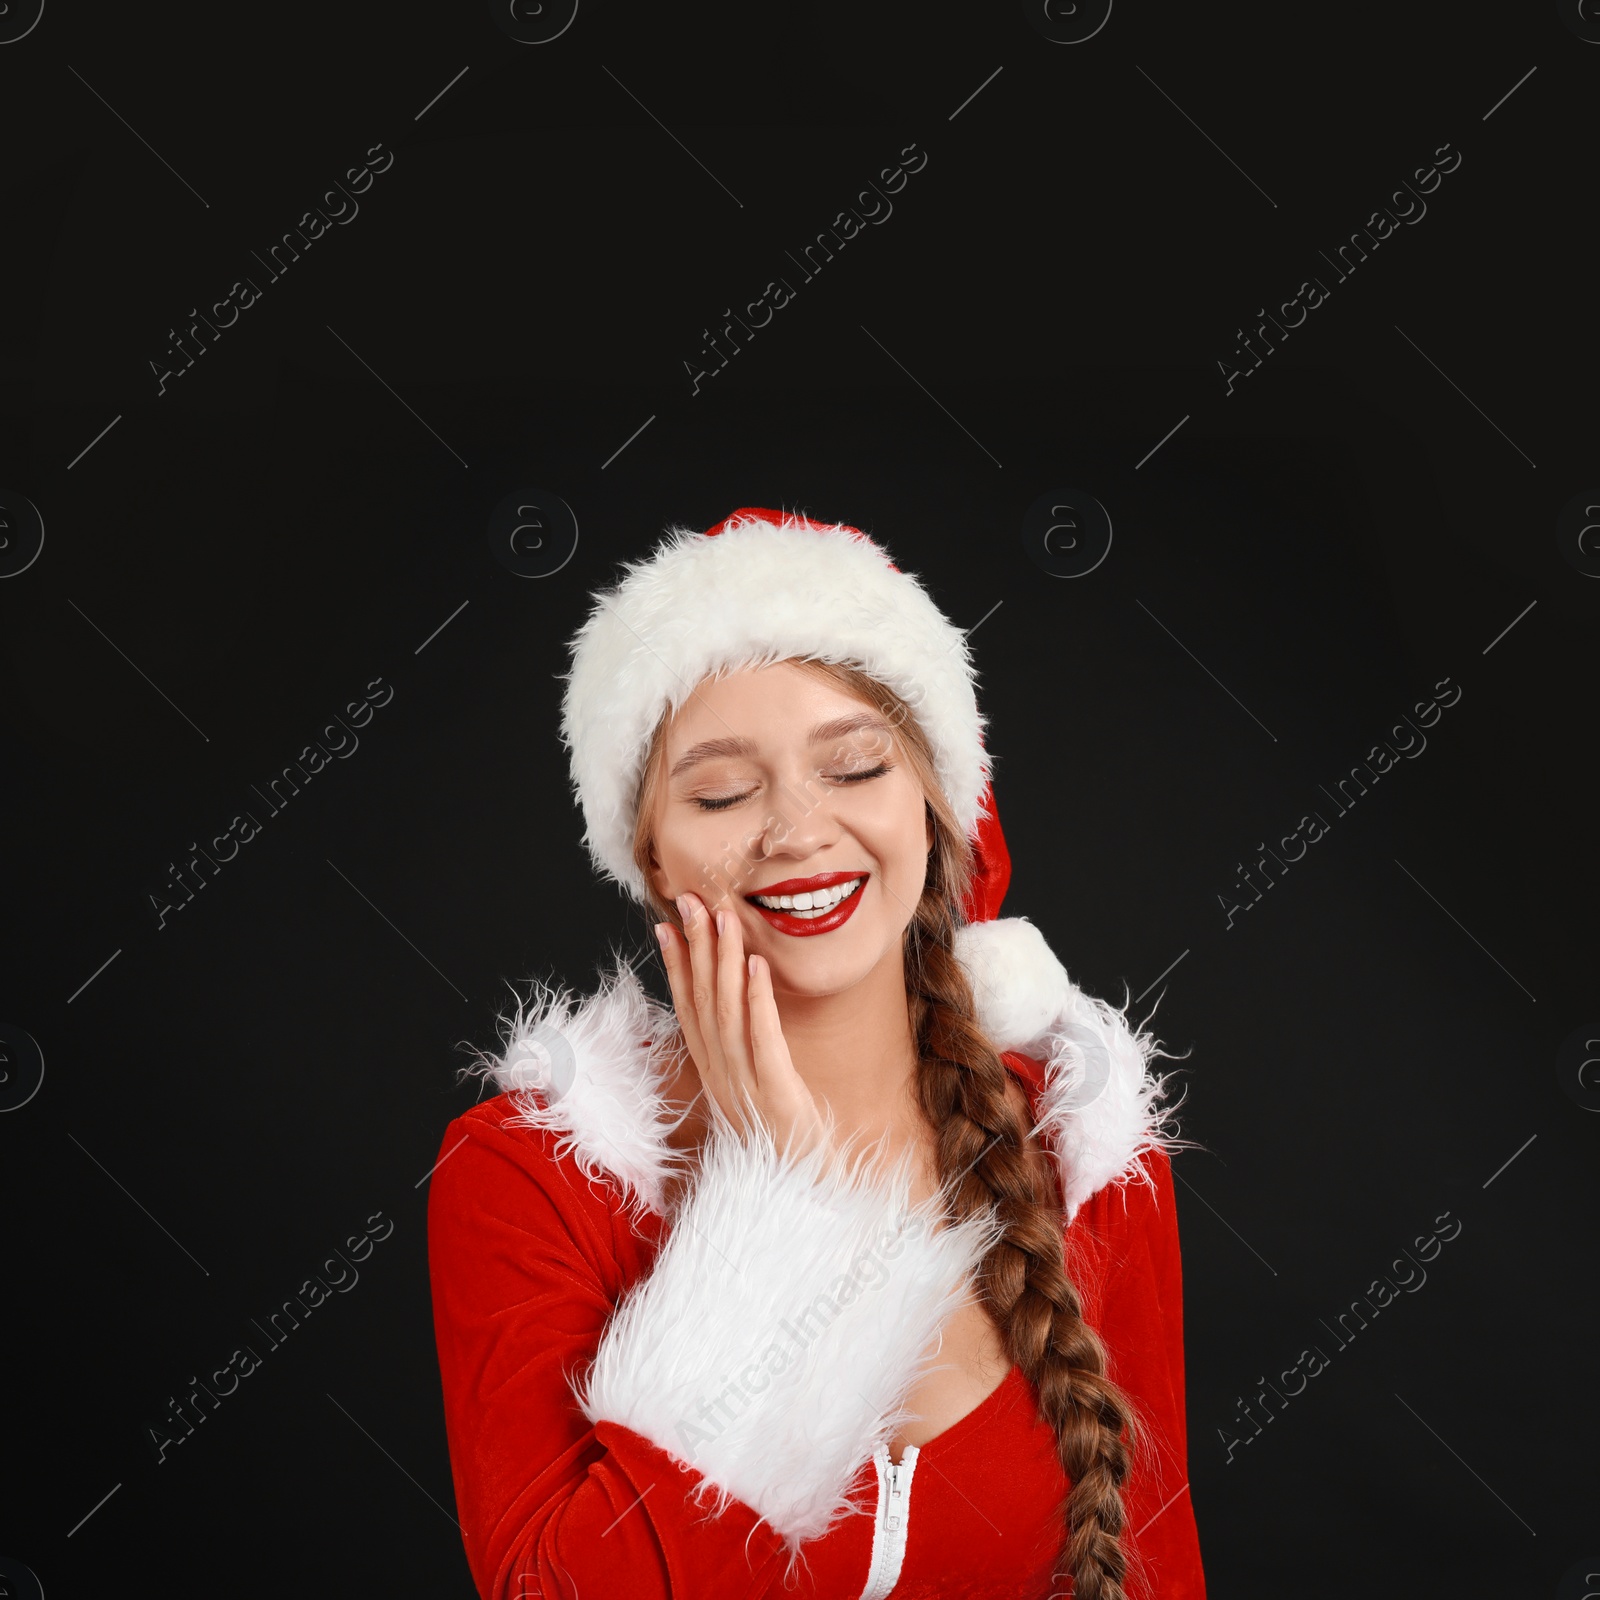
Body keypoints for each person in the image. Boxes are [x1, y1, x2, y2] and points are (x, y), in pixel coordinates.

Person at [427, 507, 1208, 1599]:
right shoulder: (528, 1176)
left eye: (853, 767)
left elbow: (1158, 1573)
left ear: (935, 808)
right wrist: (769, 1212)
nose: (796, 830)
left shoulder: (1084, 1155)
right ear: (650, 853)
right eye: (721, 791)